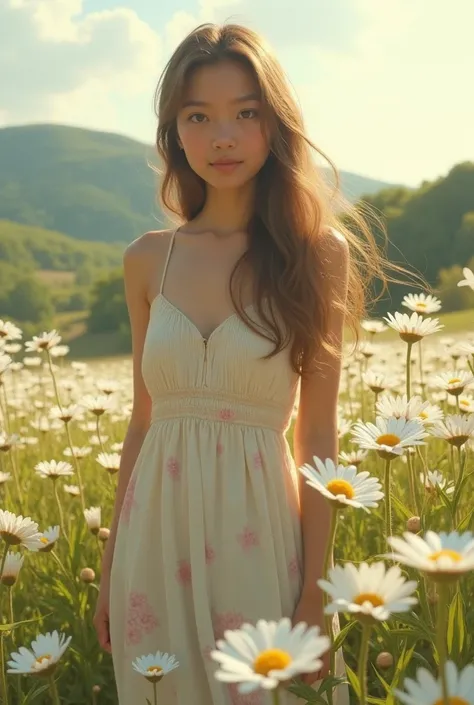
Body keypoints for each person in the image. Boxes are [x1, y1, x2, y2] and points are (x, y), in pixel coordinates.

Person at [93, 22, 389, 705]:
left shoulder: (317, 256)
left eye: (244, 113)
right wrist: (112, 565)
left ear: (274, 124)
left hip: (259, 533)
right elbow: (142, 421)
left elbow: (318, 439)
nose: (221, 136)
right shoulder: (146, 258)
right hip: (152, 543)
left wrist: (317, 595)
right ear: (175, 131)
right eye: (199, 116)